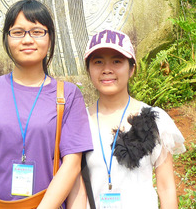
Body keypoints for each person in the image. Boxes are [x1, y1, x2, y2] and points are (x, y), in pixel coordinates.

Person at [0, 0, 93, 209]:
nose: (27, 40)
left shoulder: (68, 95)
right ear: (7, 39)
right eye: (18, 32)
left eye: (37, 32)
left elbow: (72, 165)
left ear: (50, 38)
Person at [70, 29, 185, 209]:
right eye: (98, 62)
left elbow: (166, 187)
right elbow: (76, 189)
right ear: (89, 70)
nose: (107, 70)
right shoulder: (79, 122)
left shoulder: (154, 120)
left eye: (117, 61)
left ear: (131, 69)